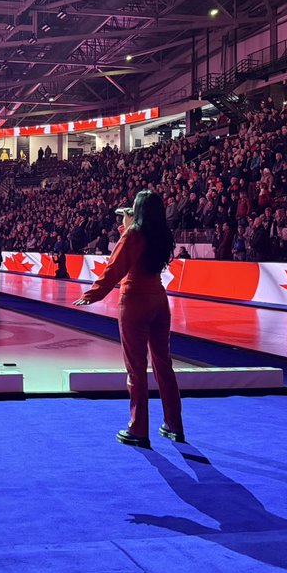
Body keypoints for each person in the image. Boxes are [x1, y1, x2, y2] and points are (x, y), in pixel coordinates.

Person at [74, 192, 184, 449]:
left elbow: (115, 268)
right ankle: (174, 425)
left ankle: (138, 429)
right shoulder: (162, 234)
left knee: (136, 368)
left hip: (135, 300)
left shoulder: (133, 235)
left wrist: (93, 294)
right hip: (159, 300)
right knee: (163, 365)